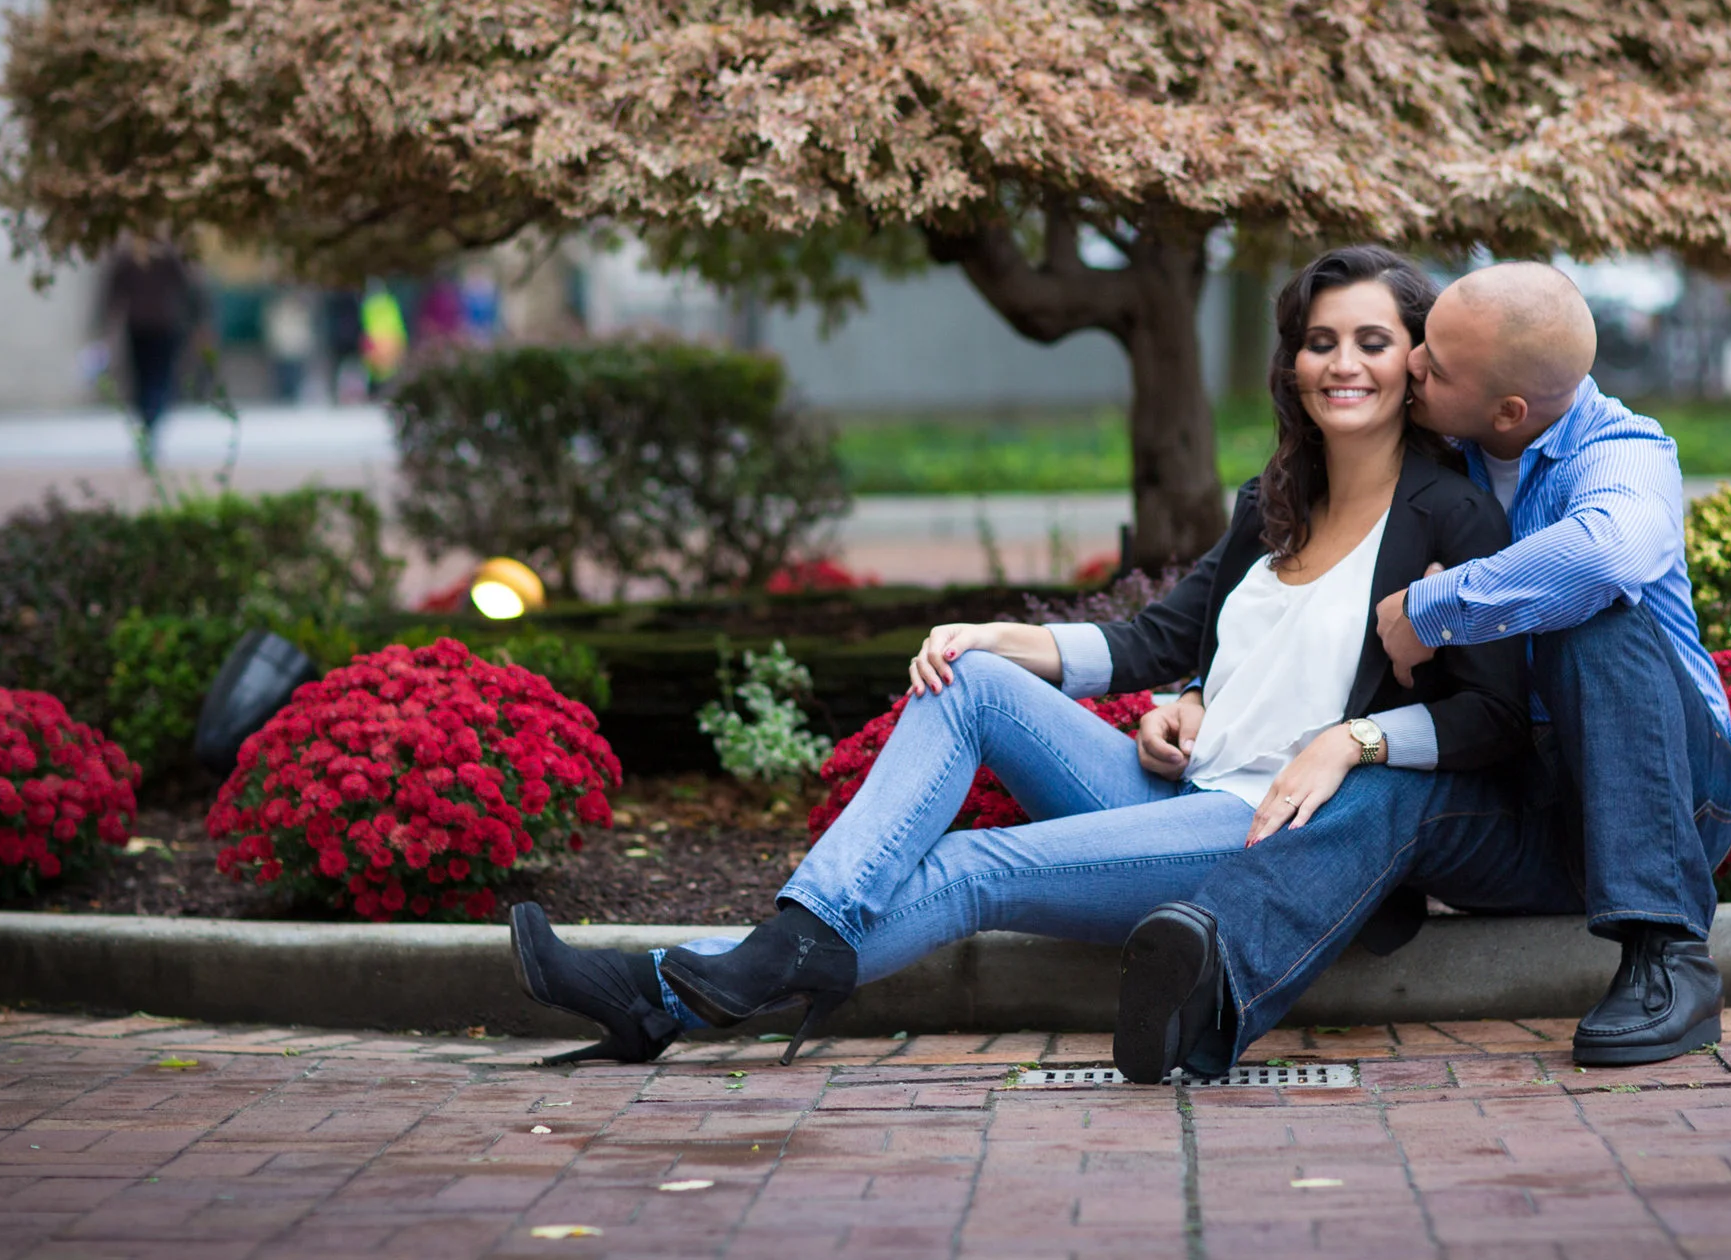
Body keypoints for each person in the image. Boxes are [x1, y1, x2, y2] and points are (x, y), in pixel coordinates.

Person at [506, 246, 1537, 1066]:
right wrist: (1014, 639)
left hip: (1265, 829)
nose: (1342, 363)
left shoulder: (1450, 516)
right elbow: (1156, 638)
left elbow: (1490, 716)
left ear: (1415, 362)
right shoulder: (1269, 503)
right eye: (1320, 341)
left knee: (972, 866)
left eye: (1371, 340)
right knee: (970, 679)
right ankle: (779, 949)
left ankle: (678, 987)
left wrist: (1355, 741)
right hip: (1176, 787)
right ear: (1292, 363)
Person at [1113, 261, 1731, 1079]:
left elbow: (1608, 553)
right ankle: (1210, 988)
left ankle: (1670, 958)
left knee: (1594, 617)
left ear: (1508, 409)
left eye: (1435, 364)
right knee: (1389, 779)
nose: (1411, 363)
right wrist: (1209, 693)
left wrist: (1436, 606)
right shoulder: (1448, 458)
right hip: (1523, 794)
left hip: (1669, 798)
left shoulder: (1621, 451)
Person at [93, 237, 202, 467]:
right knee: (155, 379)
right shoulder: (162, 256)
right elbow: (190, 289)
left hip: (148, 325)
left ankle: (149, 425)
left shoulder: (136, 256)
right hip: (155, 325)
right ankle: (150, 425)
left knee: (149, 380)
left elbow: (112, 294)